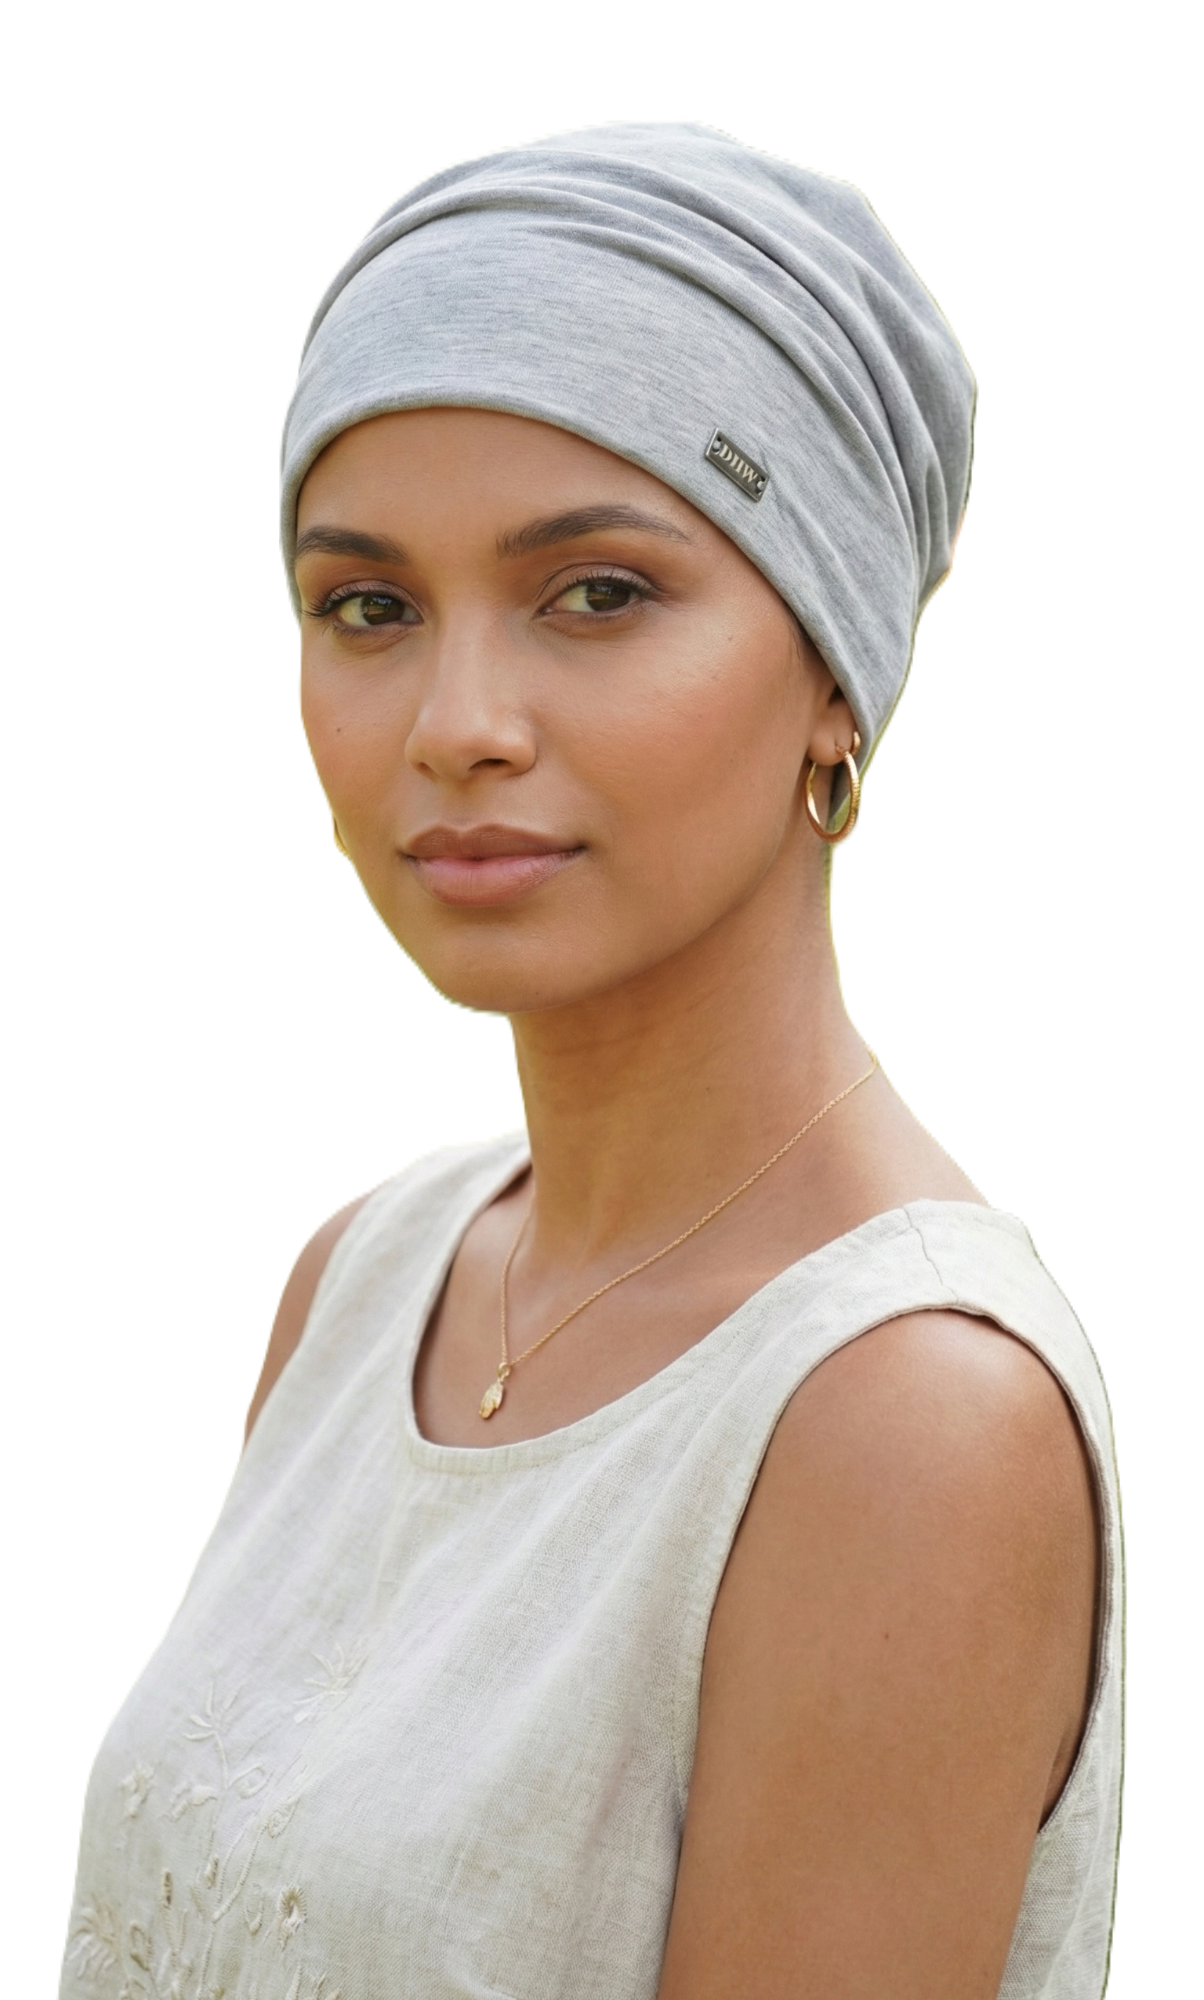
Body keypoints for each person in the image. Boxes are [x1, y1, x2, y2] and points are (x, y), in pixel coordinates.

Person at [59, 122, 1122, 1999]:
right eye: (369, 607)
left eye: (598, 593)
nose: (457, 722)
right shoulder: (368, 1273)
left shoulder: (901, 1418)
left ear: (836, 670)